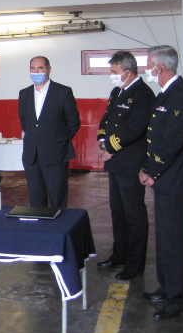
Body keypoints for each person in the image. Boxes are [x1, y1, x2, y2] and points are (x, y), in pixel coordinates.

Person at [138, 45, 183, 319]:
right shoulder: (167, 93)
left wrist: (150, 170)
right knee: (164, 238)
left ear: (159, 68)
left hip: (176, 179)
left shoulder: (181, 96)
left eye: (148, 64)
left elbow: (172, 141)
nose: (147, 69)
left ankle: (177, 300)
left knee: (175, 242)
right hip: (165, 179)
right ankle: (166, 287)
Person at [95, 51, 154, 280]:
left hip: (130, 163)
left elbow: (135, 128)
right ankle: (119, 255)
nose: (112, 76)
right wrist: (101, 142)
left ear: (128, 73)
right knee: (118, 212)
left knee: (134, 214)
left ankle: (135, 264)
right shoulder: (117, 91)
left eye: (114, 72)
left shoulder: (143, 94)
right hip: (115, 163)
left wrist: (110, 147)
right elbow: (106, 120)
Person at [18, 56, 80, 208]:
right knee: (36, 199)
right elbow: (25, 122)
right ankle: (39, 224)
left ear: (49, 70)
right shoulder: (24, 94)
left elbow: (73, 122)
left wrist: (58, 141)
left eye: (40, 68)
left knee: (57, 198)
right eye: (33, 69)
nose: (36, 72)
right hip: (32, 156)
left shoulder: (63, 92)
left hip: (56, 155)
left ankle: (58, 224)